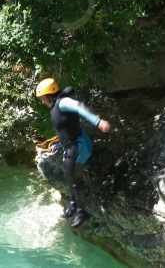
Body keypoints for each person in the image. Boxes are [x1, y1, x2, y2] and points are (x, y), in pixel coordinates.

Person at [35, 78, 111, 228]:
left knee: (73, 176)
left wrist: (98, 122)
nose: (43, 102)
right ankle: (73, 203)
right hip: (72, 146)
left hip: (79, 145)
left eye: (43, 98)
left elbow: (79, 107)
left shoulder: (63, 103)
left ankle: (82, 211)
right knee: (69, 174)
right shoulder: (56, 105)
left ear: (49, 95)